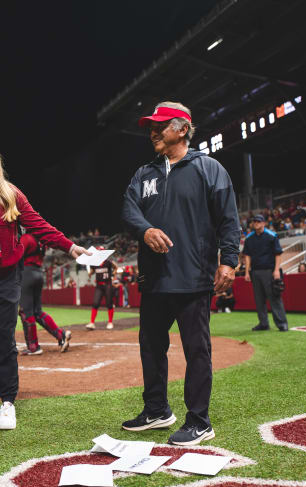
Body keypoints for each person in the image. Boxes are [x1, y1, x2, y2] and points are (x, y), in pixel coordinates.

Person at [0, 138, 89, 432]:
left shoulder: (11, 194)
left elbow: (39, 225)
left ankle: (8, 402)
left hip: (4, 281)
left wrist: (71, 247)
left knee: (5, 345)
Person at [121, 101, 240, 446]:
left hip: (193, 277)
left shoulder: (209, 168)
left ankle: (199, 421)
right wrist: (144, 229)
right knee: (150, 345)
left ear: (183, 128)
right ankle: (157, 409)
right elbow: (128, 208)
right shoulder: (144, 173)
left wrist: (228, 261)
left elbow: (228, 219)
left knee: (196, 350)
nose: (153, 131)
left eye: (161, 125)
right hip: (155, 279)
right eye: (151, 126)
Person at [17, 232, 71, 355]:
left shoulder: (26, 238)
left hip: (27, 273)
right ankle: (61, 334)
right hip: (38, 273)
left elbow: (17, 256)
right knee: (37, 312)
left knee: (26, 312)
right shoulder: (40, 240)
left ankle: (33, 347)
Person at [243, 214, 289, 331]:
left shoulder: (271, 236)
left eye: (258, 221)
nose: (256, 223)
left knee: (274, 297)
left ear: (264, 223)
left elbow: (278, 254)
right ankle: (263, 324)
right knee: (259, 300)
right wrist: (247, 272)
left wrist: (276, 270)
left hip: (269, 271)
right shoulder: (249, 238)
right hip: (255, 272)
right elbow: (247, 255)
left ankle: (282, 323)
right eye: (254, 221)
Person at [85, 248, 117, 330]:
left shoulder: (108, 262)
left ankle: (110, 322)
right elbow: (92, 271)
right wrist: (89, 273)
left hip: (108, 284)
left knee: (109, 303)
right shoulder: (94, 263)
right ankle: (92, 323)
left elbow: (115, 267)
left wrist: (113, 274)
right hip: (99, 285)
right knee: (95, 303)